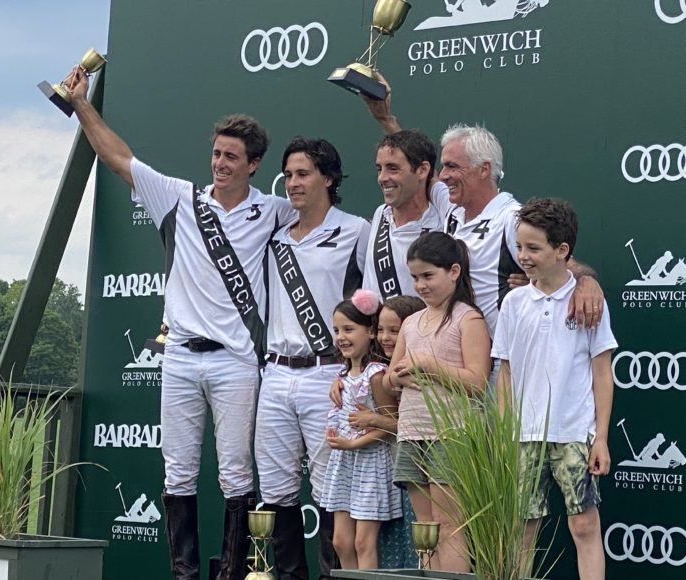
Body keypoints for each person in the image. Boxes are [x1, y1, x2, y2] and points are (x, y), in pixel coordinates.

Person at [67, 68, 294, 580]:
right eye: (216, 153)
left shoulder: (276, 212)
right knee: (178, 472)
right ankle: (185, 574)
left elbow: (322, 213)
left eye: (231, 157)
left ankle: (236, 572)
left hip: (237, 361)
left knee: (237, 473)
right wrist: (82, 104)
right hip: (180, 358)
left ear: (254, 164)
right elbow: (118, 158)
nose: (219, 163)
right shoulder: (179, 198)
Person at [362, 75, 604, 336]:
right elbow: (416, 169)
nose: (443, 175)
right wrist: (385, 119)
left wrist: (586, 282)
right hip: (457, 362)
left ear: (483, 169)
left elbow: (565, 264)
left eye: (453, 166)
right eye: (443, 166)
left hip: (498, 361)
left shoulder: (510, 218)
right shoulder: (452, 207)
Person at [255, 137, 370, 580]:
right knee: (277, 490)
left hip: (328, 374)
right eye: (287, 175)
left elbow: (377, 299)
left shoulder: (356, 229)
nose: (293, 183)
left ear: (329, 177)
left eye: (303, 174)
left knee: (329, 490)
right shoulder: (276, 237)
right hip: (276, 372)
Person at [492, 198, 617, 580]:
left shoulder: (589, 303)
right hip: (522, 435)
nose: (523, 257)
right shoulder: (514, 302)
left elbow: (601, 372)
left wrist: (601, 439)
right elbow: (506, 373)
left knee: (584, 525)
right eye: (519, 247)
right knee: (522, 529)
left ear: (562, 251)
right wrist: (502, 431)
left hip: (574, 432)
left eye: (533, 248)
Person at [384, 232, 491, 572]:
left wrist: (429, 366)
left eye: (428, 276)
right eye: (415, 277)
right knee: (425, 529)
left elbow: (477, 381)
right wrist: (398, 377)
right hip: (411, 431)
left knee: (450, 525)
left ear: (454, 271)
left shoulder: (467, 318)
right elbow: (390, 378)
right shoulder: (412, 321)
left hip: (453, 434)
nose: (420, 285)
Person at [319, 290, 402, 569]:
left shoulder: (376, 374)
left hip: (371, 465)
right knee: (341, 542)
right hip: (344, 464)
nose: (341, 336)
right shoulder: (341, 377)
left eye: (349, 329)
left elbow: (392, 425)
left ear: (370, 332)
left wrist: (356, 443)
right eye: (336, 330)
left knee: (363, 542)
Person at [353, 295, 426, 568]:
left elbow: (409, 426)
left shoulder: (417, 370)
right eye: (380, 329)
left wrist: (375, 420)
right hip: (388, 476)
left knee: (419, 541)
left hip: (416, 473)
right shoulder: (377, 370)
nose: (385, 337)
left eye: (394, 330)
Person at [363, 130, 450, 301]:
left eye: (393, 169)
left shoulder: (443, 225)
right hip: (376, 327)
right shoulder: (380, 214)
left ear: (422, 170)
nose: (382, 178)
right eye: (379, 169)